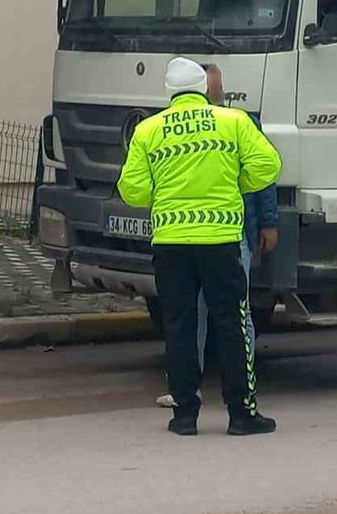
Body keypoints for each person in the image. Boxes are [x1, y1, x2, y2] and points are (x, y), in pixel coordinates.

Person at [119, 57, 281, 436]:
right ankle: (242, 414)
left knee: (179, 325)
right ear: (204, 89)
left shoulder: (148, 130)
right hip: (220, 241)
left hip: (171, 244)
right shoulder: (233, 122)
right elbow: (268, 166)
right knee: (232, 324)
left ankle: (184, 416)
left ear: (170, 92)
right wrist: (235, 182)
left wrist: (166, 194)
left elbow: (132, 190)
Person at [156, 63, 279, 408]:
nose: (215, 92)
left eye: (218, 86)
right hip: (218, 234)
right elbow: (265, 169)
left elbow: (265, 177)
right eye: (210, 87)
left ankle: (226, 391)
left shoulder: (237, 123)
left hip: (229, 234)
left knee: (230, 317)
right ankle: (211, 396)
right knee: (209, 316)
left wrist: (267, 222)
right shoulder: (228, 126)